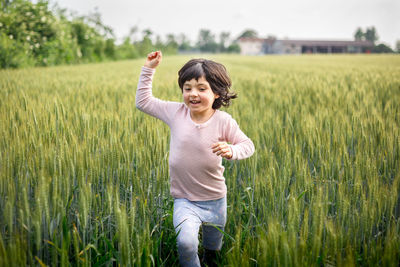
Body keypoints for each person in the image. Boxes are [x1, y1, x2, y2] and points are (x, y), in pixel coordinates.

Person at [136, 51, 255, 267]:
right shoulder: (176, 113)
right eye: (187, 88)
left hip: (215, 200)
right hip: (184, 200)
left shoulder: (223, 121)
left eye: (202, 89)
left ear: (217, 93)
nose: (193, 94)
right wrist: (149, 69)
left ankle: (211, 260)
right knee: (186, 244)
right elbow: (143, 102)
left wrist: (231, 150)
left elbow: (248, 145)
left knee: (213, 250)